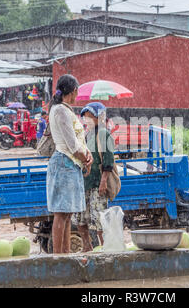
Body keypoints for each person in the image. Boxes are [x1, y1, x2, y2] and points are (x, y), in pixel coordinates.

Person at [47, 74, 93, 254]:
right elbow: (72, 146)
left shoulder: (64, 110)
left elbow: (77, 143)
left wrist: (86, 155)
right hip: (64, 162)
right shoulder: (60, 111)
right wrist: (86, 159)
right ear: (73, 91)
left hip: (70, 164)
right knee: (61, 213)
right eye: (77, 92)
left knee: (67, 214)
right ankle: (59, 256)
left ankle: (64, 255)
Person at [75, 102, 115, 252]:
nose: (87, 120)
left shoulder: (104, 134)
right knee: (80, 218)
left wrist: (103, 181)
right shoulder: (86, 134)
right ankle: (87, 247)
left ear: (99, 118)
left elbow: (108, 160)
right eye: (85, 117)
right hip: (85, 183)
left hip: (98, 183)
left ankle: (105, 248)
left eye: (90, 117)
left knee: (100, 219)